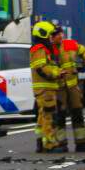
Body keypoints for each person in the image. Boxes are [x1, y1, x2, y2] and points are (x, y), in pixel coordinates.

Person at [56, 30, 85, 153]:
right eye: (56, 34)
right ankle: (60, 144)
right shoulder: (50, 48)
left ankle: (81, 143)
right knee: (59, 116)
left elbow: (83, 50)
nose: (60, 36)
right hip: (59, 87)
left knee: (77, 113)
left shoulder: (70, 44)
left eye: (60, 33)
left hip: (72, 86)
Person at [30, 21, 62, 153]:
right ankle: (49, 144)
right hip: (45, 89)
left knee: (43, 116)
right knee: (49, 116)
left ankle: (40, 142)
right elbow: (41, 68)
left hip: (46, 88)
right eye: (49, 35)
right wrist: (56, 73)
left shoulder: (43, 49)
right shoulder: (40, 49)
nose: (51, 38)